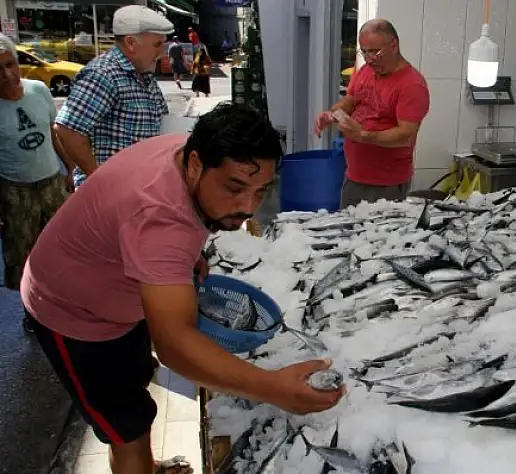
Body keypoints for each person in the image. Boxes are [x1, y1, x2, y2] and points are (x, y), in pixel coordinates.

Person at [21, 103, 344, 474]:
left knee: (134, 396)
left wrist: (186, 255)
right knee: (126, 429)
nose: (248, 207)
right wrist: (273, 388)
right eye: (234, 188)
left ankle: (144, 463)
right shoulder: (159, 222)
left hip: (119, 293)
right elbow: (174, 346)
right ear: (194, 165)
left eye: (261, 191)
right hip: (74, 314)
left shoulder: (189, 151)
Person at [314, 19, 430, 209]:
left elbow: (405, 136)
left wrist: (362, 135)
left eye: (375, 52)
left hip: (386, 184)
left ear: (394, 45)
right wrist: (332, 114)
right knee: (347, 227)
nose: (369, 59)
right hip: (354, 176)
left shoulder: (412, 85)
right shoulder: (365, 71)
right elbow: (350, 101)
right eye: (364, 52)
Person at [54, 5, 173, 188]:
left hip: (138, 186)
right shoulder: (103, 74)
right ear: (131, 43)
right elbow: (68, 129)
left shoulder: (143, 73)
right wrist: (99, 179)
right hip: (111, 191)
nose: (162, 52)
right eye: (157, 45)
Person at [0, 33, 73, 332]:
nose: (7, 74)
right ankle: (32, 311)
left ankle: (62, 304)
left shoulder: (39, 90)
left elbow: (53, 133)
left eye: (10, 64)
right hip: (15, 191)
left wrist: (70, 168)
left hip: (52, 184)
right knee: (23, 255)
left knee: (63, 247)